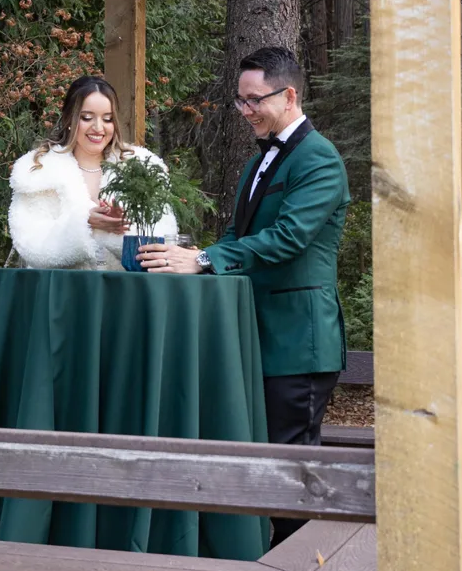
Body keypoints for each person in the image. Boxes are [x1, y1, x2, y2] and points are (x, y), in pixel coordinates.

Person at [140, 46, 349, 470]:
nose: (246, 110)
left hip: (298, 343)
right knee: (251, 462)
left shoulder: (320, 158)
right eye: (240, 100)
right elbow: (239, 235)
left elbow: (288, 238)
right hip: (254, 336)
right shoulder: (257, 162)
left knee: (289, 468)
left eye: (255, 100)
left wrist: (203, 260)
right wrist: (193, 260)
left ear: (289, 97)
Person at [9, 75, 177, 269]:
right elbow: (31, 244)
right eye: (87, 118)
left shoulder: (141, 166)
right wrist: (84, 222)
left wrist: (121, 225)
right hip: (61, 286)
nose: (98, 128)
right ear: (69, 119)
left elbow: (164, 238)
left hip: (125, 285)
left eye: (108, 119)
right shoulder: (39, 171)